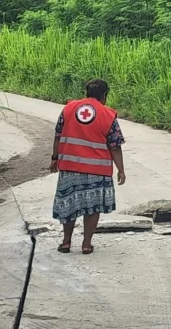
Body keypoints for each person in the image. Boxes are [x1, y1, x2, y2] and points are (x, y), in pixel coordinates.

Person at [49, 79, 126, 254]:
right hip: (96, 170)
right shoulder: (107, 115)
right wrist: (121, 169)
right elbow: (115, 146)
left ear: (87, 92)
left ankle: (66, 242)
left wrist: (54, 158)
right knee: (92, 207)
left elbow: (58, 135)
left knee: (69, 204)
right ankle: (86, 244)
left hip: (69, 167)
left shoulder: (68, 108)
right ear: (105, 95)